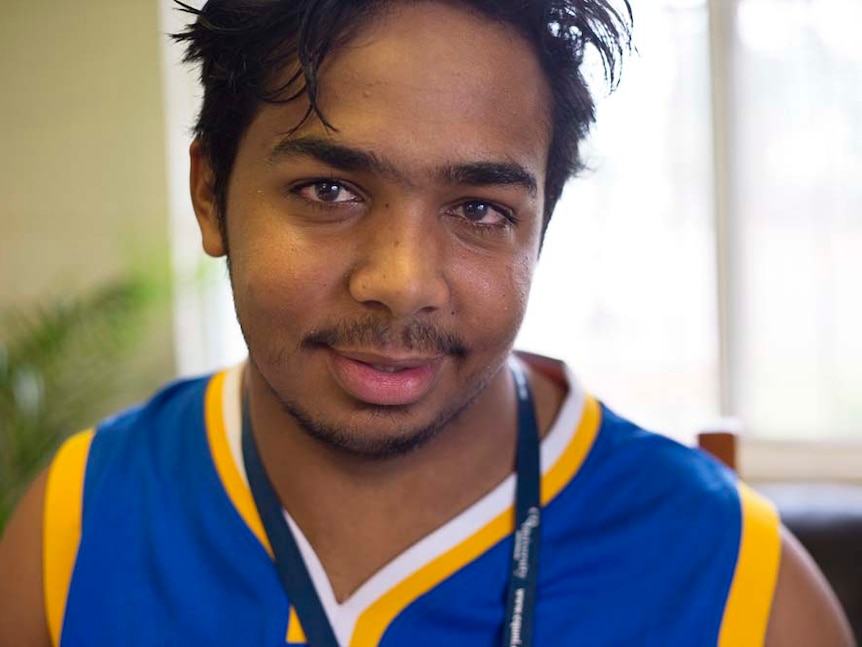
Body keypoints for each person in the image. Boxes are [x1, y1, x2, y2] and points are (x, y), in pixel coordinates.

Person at [0, 1, 854, 645]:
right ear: (211, 193)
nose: (402, 283)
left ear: (542, 228)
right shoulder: (78, 522)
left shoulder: (739, 584)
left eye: (480, 209)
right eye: (328, 191)